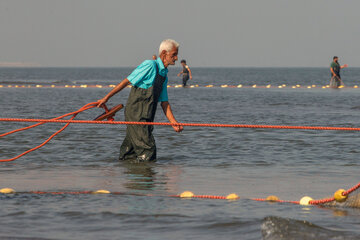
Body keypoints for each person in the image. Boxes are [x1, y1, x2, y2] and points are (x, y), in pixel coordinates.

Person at [97, 39, 183, 162]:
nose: (176, 58)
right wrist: (106, 98)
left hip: (147, 117)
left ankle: (129, 176)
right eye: (174, 54)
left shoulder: (164, 75)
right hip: (136, 116)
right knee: (148, 149)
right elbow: (126, 81)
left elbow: (164, 103)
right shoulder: (150, 65)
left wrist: (174, 123)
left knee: (130, 150)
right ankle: (146, 179)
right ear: (164, 53)